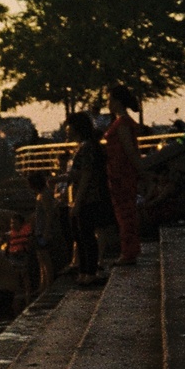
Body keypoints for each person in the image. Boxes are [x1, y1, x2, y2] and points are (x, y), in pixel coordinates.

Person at [65, 111, 111, 283]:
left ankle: (89, 273)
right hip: (80, 198)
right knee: (80, 236)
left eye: (69, 127)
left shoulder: (87, 147)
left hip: (88, 199)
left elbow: (86, 175)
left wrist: (77, 203)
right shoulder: (82, 147)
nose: (66, 130)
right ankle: (83, 272)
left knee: (86, 237)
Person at [105, 85, 144, 265]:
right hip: (117, 173)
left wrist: (141, 171)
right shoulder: (121, 121)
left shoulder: (122, 123)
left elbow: (129, 150)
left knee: (125, 214)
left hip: (122, 174)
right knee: (124, 213)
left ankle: (129, 252)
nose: (107, 103)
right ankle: (129, 250)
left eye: (109, 99)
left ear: (117, 101)